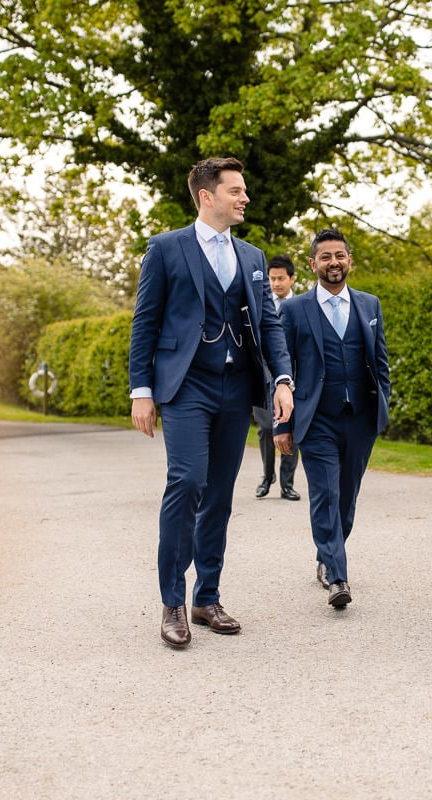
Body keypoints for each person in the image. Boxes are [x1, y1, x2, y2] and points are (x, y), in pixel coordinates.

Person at [128, 156, 295, 649]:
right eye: (235, 190)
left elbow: (269, 323)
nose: (244, 198)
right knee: (187, 482)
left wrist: (281, 379)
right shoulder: (165, 249)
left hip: (236, 386)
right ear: (207, 196)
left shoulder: (252, 256)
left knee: (220, 495)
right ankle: (172, 602)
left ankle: (207, 597)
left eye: (244, 191)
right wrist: (142, 390)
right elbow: (145, 323)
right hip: (185, 387)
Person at [274, 229, 390, 609]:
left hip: (359, 417)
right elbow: (279, 369)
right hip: (316, 418)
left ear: (349, 260)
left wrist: (382, 406)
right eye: (325, 257)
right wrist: (282, 424)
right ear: (312, 264)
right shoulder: (293, 310)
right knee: (325, 493)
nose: (334, 263)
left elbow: (381, 363)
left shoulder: (370, 305)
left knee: (346, 498)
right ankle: (338, 576)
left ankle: (326, 556)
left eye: (339, 255)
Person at [253, 254, 301, 501]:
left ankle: (287, 483)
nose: (276, 283)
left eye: (281, 278)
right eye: (272, 279)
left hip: (292, 379)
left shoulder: (302, 306)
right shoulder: (261, 305)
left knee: (291, 429)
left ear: (292, 279)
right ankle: (266, 476)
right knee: (265, 429)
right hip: (263, 377)